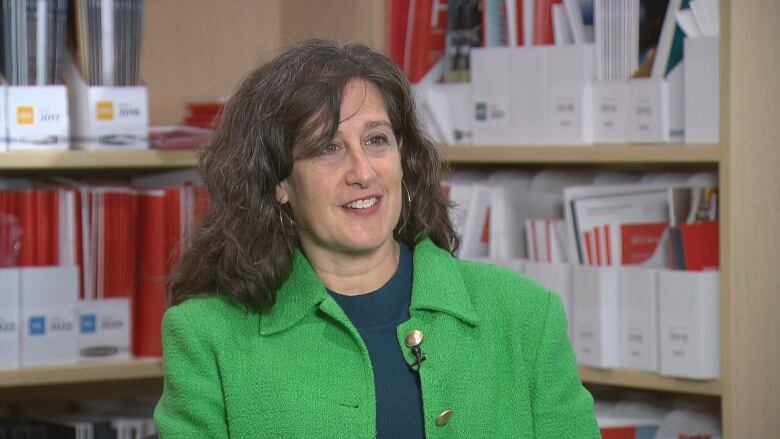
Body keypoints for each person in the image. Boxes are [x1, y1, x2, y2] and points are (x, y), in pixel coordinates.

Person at [153, 39, 600, 438]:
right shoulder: (206, 337)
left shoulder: (524, 316)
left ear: (403, 157)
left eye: (377, 140)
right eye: (328, 148)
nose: (363, 173)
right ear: (279, 183)